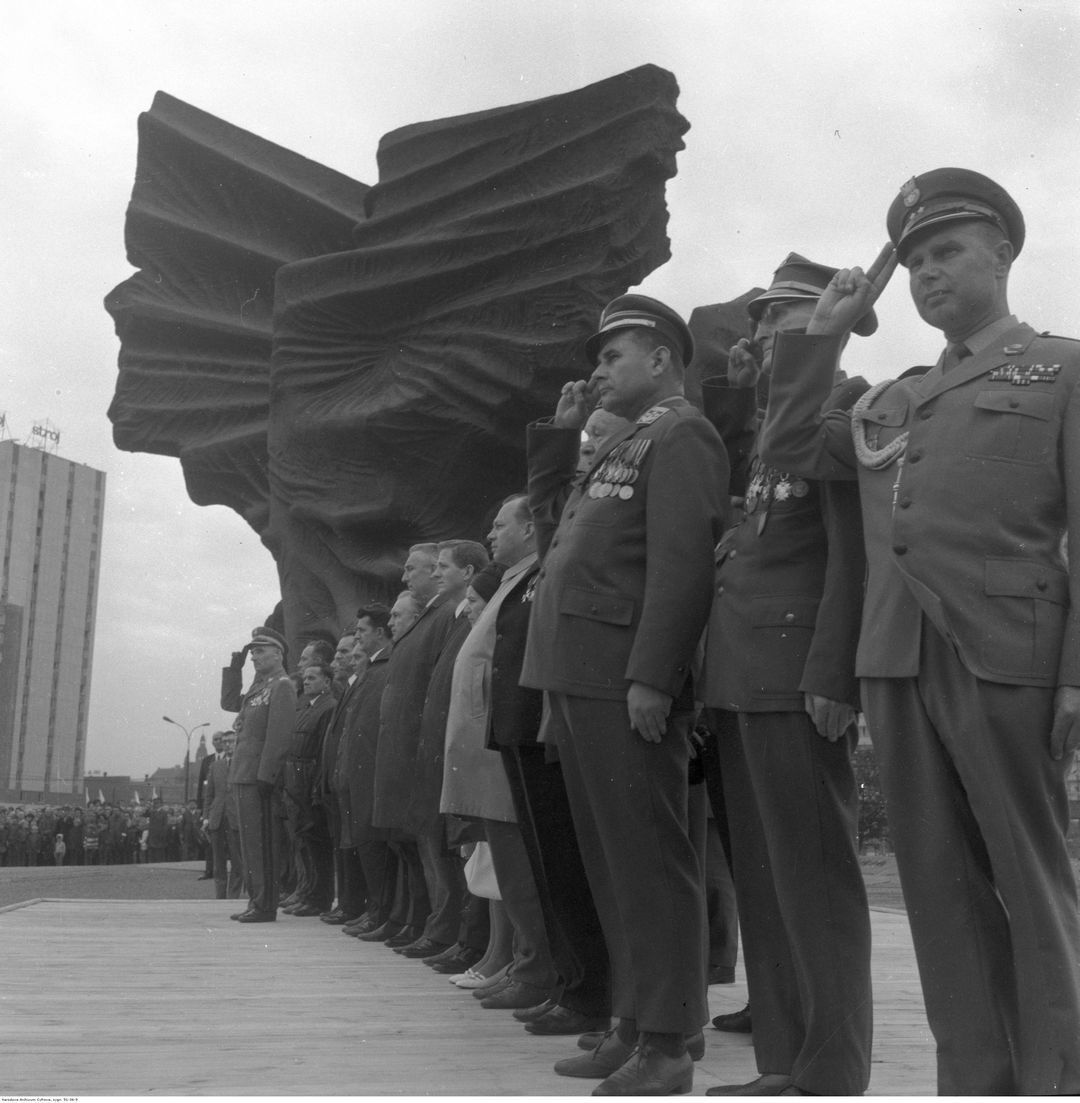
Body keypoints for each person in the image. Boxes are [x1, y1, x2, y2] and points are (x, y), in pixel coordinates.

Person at [759, 167, 1080, 1095]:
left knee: (1031, 879)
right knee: (937, 893)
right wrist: (821, 333)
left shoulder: (1061, 368)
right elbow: (786, 448)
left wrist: (1074, 674)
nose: (928, 273)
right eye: (914, 262)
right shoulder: (893, 400)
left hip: (1006, 655)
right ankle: (975, 1081)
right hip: (896, 659)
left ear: (1003, 253)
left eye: (948, 252)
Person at [521, 294, 729, 1095]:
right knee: (613, 862)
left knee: (650, 862)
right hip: (579, 676)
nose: (599, 369)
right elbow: (563, 551)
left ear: (663, 359)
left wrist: (654, 674)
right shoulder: (619, 446)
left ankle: (670, 1041)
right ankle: (636, 1024)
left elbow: (682, 566)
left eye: (613, 354)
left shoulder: (681, 434)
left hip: (624, 680)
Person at [700, 254, 874, 1097]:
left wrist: (836, 670)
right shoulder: (781, 416)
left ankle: (832, 1068)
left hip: (796, 672)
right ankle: (786, 1056)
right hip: (743, 673)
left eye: (781, 319)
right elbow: (749, 510)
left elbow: (851, 555)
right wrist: (744, 391)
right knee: (768, 881)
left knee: (814, 880)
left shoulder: (853, 405)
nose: (763, 333)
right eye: (761, 321)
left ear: (828, 322)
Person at [227, 626, 296, 923]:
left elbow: (278, 736)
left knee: (262, 843)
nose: (254, 656)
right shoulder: (260, 687)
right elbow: (230, 703)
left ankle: (265, 904)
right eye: (252, 651)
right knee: (249, 843)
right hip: (244, 773)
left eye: (259, 650)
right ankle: (257, 900)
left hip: (259, 777)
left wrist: (267, 776)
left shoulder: (281, 685)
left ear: (278, 653)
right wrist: (235, 665)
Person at [281, 661, 337, 916]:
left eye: (313, 678)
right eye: (305, 678)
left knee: (318, 844)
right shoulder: (306, 706)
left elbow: (324, 752)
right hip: (296, 783)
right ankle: (307, 892)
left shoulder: (328, 708)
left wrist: (316, 788)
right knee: (304, 842)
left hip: (310, 781)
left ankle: (319, 898)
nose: (306, 681)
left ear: (327, 682)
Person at [204, 730, 244, 898]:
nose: (227, 745)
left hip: (236, 818)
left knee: (237, 860)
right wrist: (206, 817)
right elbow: (208, 795)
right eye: (225, 741)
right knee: (218, 861)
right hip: (217, 818)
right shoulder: (215, 766)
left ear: (237, 743)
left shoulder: (243, 763)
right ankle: (220, 897)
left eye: (231, 741)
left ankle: (233, 897)